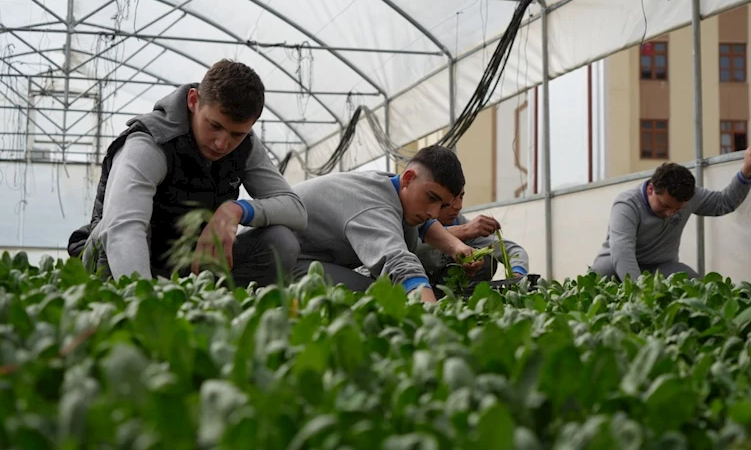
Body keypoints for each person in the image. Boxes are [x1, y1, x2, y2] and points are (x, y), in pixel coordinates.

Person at [68, 59, 307, 286]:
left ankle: (217, 315)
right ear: (194, 101)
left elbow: (295, 209)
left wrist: (237, 210)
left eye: (237, 134)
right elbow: (123, 229)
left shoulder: (246, 146)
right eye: (214, 126)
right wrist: (144, 303)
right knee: (118, 229)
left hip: (188, 261)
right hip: (119, 255)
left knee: (280, 241)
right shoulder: (151, 143)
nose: (222, 144)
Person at [291, 145, 482, 303]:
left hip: (308, 256)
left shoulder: (394, 185)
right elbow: (397, 261)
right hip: (282, 261)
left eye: (442, 205)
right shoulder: (372, 204)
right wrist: (432, 316)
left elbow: (426, 224)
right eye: (431, 197)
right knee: (374, 299)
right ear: (408, 178)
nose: (433, 212)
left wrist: (456, 247)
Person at [591, 144, 751, 281]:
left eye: (677, 209)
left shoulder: (689, 197)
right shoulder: (627, 205)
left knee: (692, 282)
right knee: (603, 280)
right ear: (651, 189)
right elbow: (622, 251)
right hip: (616, 266)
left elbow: (724, 203)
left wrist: (746, 172)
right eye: (664, 206)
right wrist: (639, 293)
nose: (670, 213)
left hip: (660, 266)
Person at [415, 188, 529, 293]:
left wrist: (517, 274)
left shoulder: (464, 225)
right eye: (452, 198)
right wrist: (463, 231)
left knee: (486, 258)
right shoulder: (413, 221)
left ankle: (467, 296)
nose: (458, 206)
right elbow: (411, 248)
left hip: (449, 290)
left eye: (461, 197)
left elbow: (513, 251)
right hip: (415, 286)